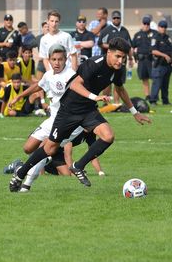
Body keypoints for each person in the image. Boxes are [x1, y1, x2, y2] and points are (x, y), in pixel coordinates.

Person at [9, 37, 151, 192]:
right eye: (118, 56)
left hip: (88, 110)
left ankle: (78, 166)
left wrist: (134, 112)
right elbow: (75, 84)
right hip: (69, 110)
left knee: (108, 136)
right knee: (49, 148)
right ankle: (20, 174)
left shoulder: (117, 70)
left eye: (123, 58)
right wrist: (94, 96)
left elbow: (120, 89)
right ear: (109, 52)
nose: (120, 61)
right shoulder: (94, 63)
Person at [98, 10, 133, 103]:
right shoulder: (106, 30)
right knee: (107, 83)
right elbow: (100, 43)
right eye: (114, 18)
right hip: (108, 62)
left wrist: (130, 58)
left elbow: (129, 46)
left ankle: (116, 103)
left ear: (120, 19)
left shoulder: (124, 30)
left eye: (118, 18)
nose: (116, 19)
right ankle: (106, 103)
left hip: (121, 61)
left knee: (118, 83)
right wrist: (114, 48)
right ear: (112, 19)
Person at [132, 16, 158, 100]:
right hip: (142, 59)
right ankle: (147, 95)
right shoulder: (137, 35)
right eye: (145, 23)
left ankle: (154, 95)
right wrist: (134, 57)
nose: (146, 25)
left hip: (151, 59)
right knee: (144, 78)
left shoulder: (154, 33)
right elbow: (132, 47)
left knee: (155, 78)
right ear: (142, 24)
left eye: (148, 24)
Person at [150, 20, 172, 105]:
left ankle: (165, 100)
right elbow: (153, 51)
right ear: (158, 27)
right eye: (162, 27)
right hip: (159, 64)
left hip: (167, 65)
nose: (163, 28)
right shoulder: (155, 37)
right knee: (157, 83)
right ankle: (153, 100)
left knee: (165, 84)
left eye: (165, 27)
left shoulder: (167, 38)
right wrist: (165, 56)